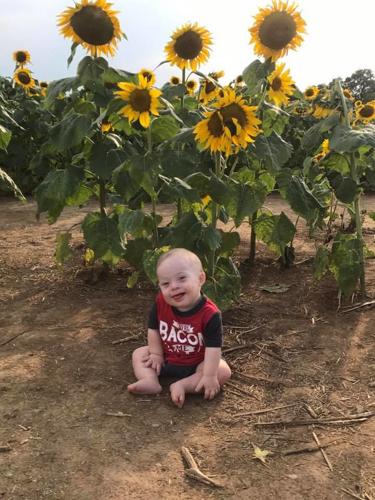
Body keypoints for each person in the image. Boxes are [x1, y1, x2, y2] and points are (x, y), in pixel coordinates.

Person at [127, 248, 231, 408]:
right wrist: (155, 354)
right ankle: (150, 380)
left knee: (223, 371)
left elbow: (213, 348)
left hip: (197, 364)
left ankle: (183, 385)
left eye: (182, 278)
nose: (174, 287)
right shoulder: (161, 302)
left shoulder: (210, 314)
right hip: (165, 359)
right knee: (139, 353)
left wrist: (209, 375)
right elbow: (153, 328)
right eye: (166, 284)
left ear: (200, 278)